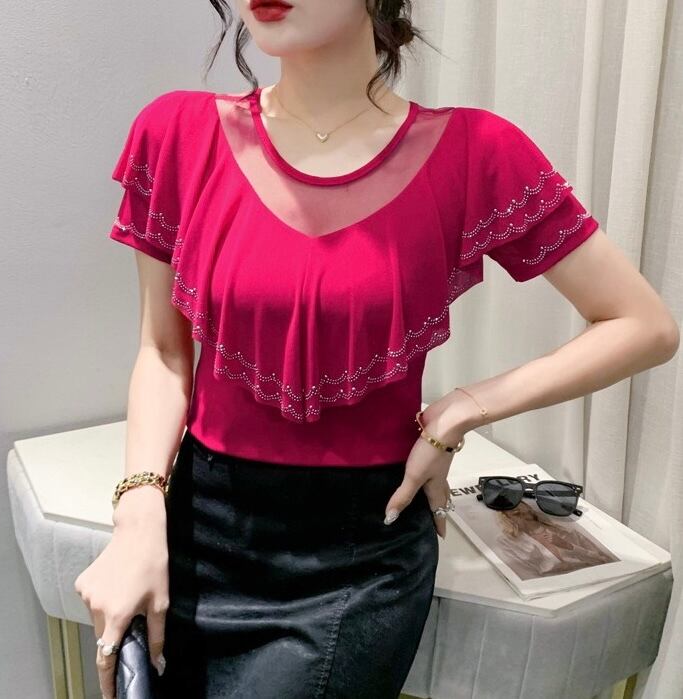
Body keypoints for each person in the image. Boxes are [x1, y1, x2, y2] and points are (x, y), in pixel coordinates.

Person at [73, 1, 680, 698]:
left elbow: (642, 324)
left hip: (357, 556)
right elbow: (163, 351)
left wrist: (464, 407)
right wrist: (138, 512)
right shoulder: (177, 133)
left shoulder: (475, 151)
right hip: (192, 529)